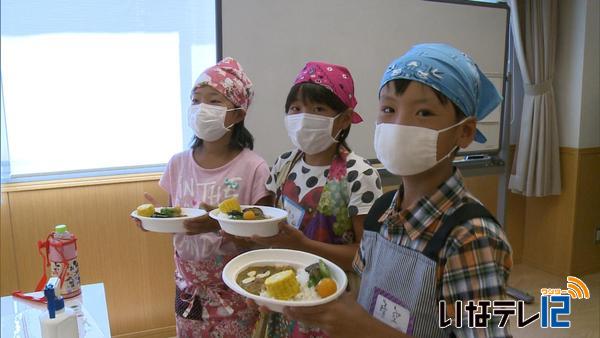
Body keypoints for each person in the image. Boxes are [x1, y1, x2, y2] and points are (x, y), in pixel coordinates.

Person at [284, 44, 513, 338]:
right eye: (389, 109)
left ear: (464, 132)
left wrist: (365, 329)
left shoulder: (470, 237)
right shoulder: (380, 212)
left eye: (424, 112)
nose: (400, 124)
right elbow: (362, 297)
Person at [138, 57, 271, 337]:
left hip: (235, 286)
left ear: (237, 113)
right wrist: (156, 217)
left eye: (213, 101)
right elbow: (180, 218)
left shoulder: (254, 168)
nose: (201, 109)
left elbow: (265, 239)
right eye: (196, 100)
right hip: (187, 286)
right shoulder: (178, 163)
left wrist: (219, 224)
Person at [251, 61, 383, 338]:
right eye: (295, 109)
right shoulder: (284, 164)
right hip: (282, 300)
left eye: (318, 109)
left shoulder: (359, 174)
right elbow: (270, 229)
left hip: (332, 309)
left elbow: (367, 258)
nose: (303, 117)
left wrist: (304, 245)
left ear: (345, 119)